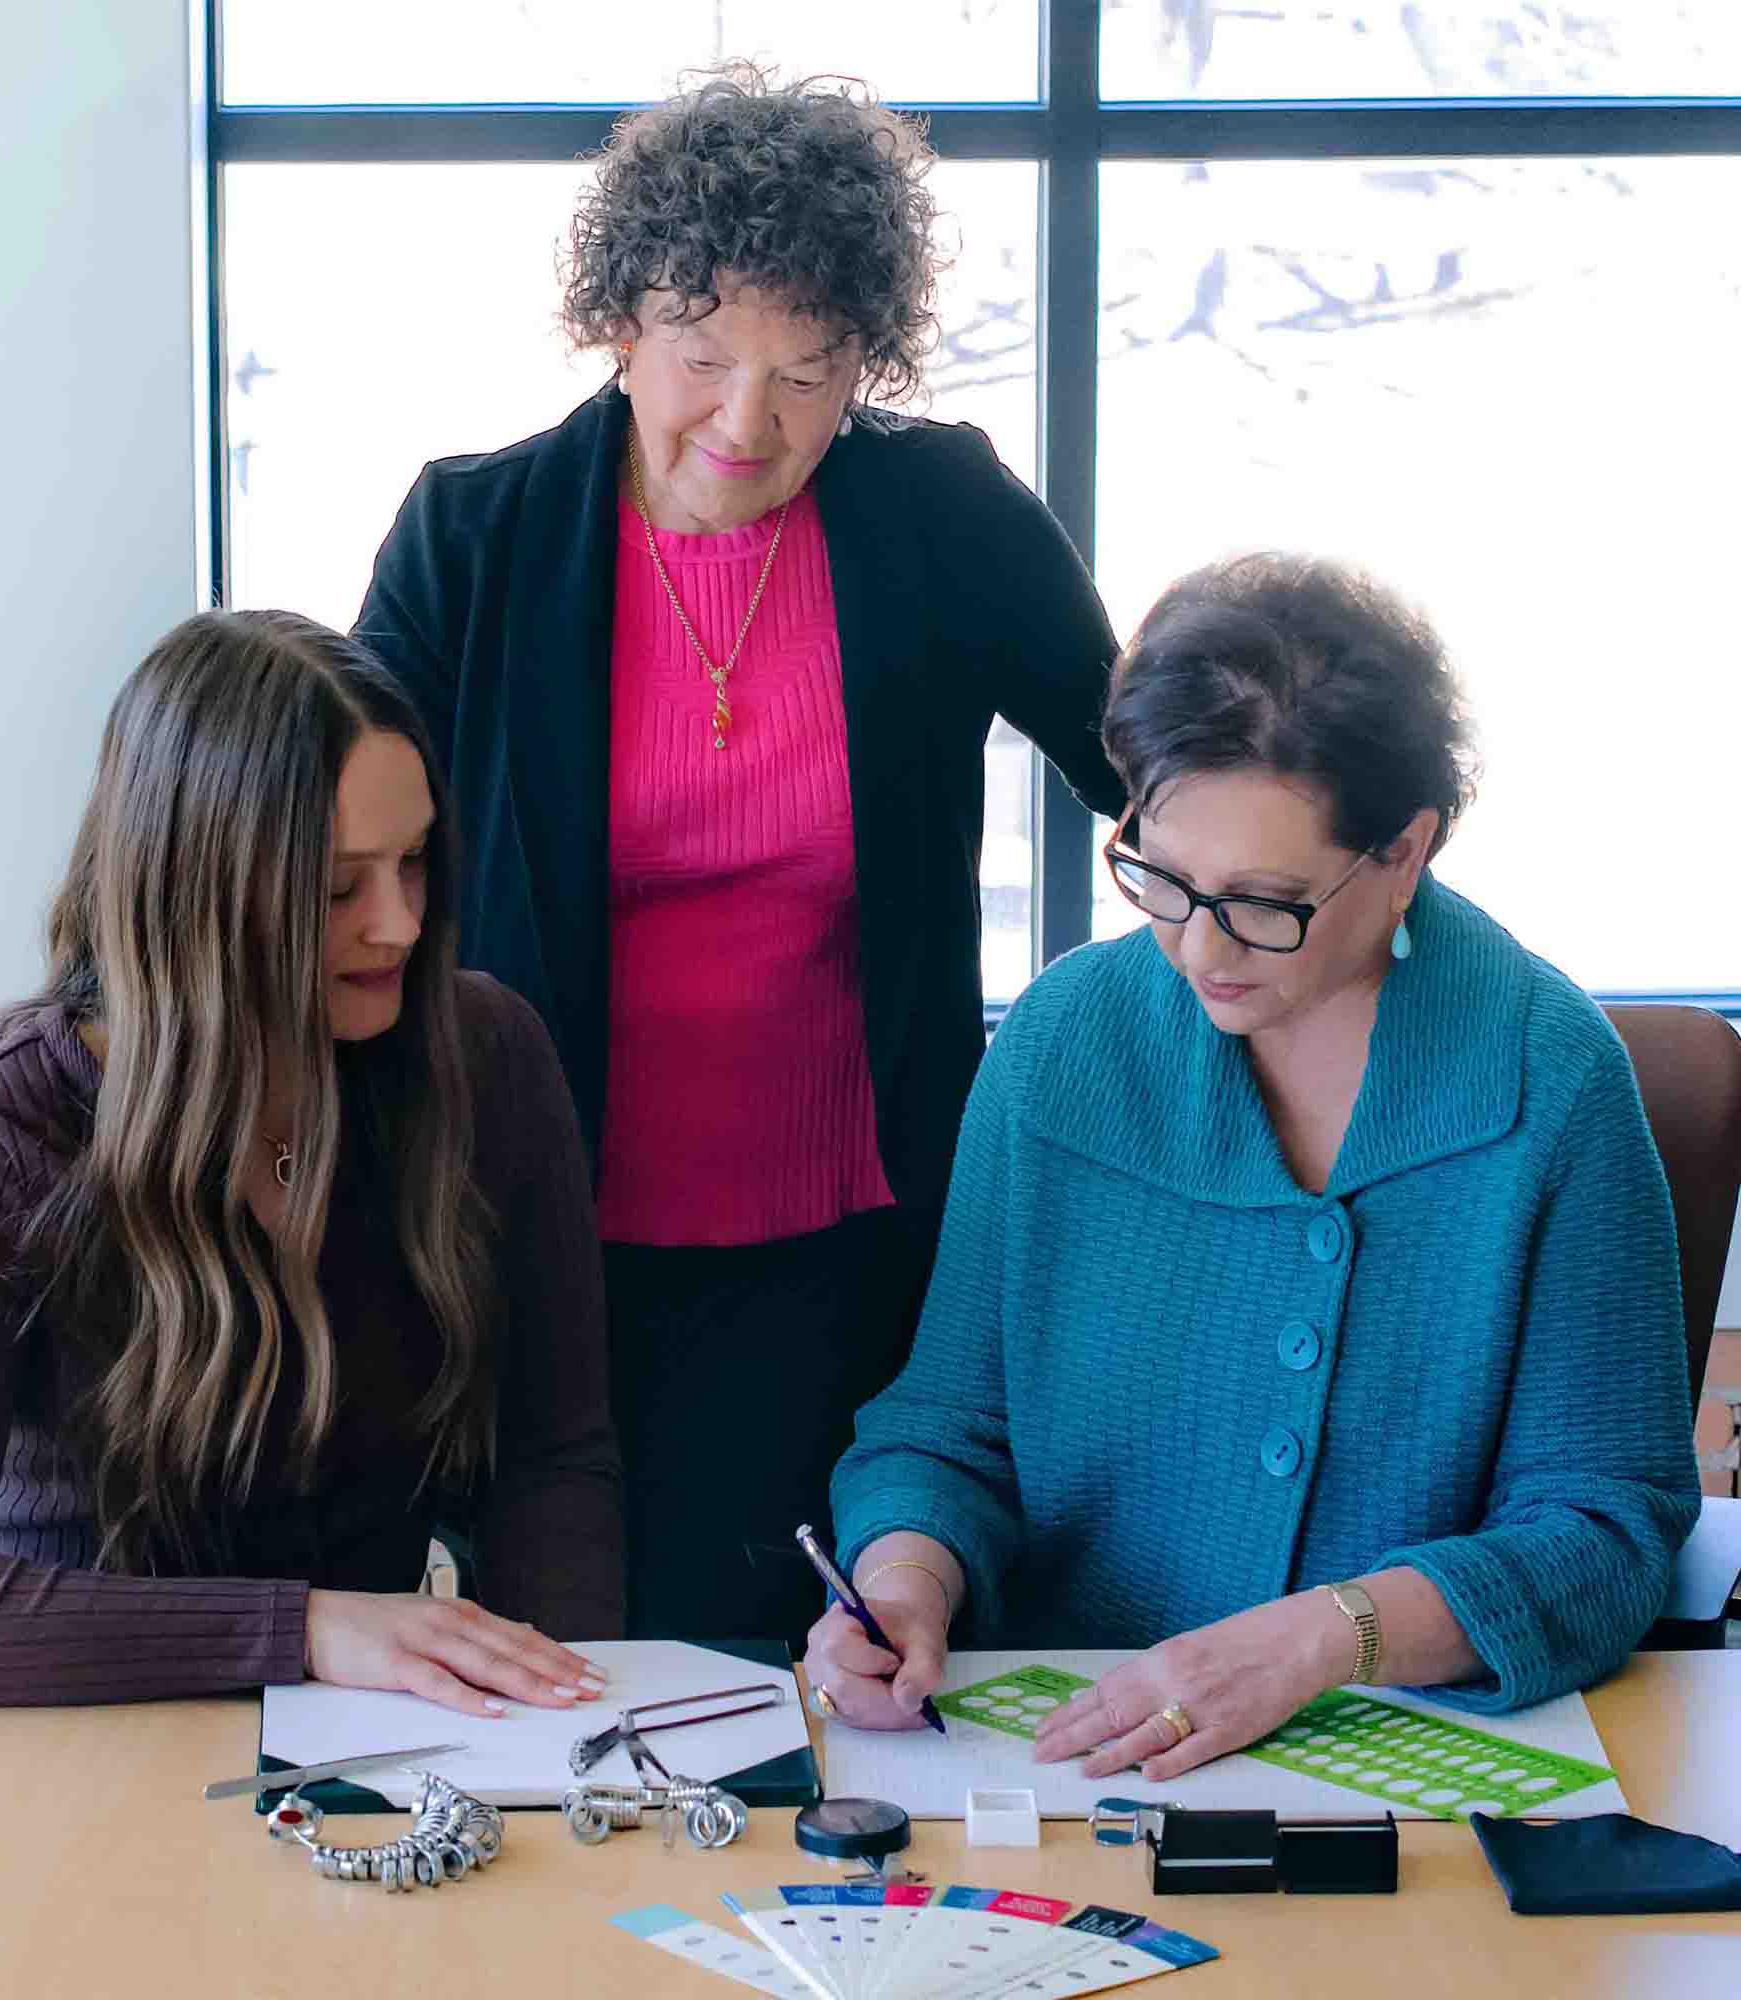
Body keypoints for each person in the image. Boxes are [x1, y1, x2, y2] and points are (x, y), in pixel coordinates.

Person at [353, 65, 1126, 1642]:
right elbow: (327, 828)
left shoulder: (939, 515)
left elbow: (1150, 761)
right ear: (620, 328)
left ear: (868, 362)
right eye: (703, 358)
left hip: (851, 1234)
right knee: (589, 1661)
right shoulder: (477, 535)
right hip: (541, 1220)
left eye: (811, 371)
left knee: (839, 1654)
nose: (750, 422)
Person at [808, 553, 1700, 1771]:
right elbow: (948, 1427)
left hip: (1406, 1752)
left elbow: (1603, 1530)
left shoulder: (1548, 1078)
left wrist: (1322, 1638)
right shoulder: (1063, 1041)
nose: (1197, 945)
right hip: (1070, 1747)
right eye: (1162, 879)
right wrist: (904, 1580)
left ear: (1402, 854)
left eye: (1263, 901)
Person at [0, 610, 623, 1708]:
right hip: (63, 1747)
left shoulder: (487, 1060)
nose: (400, 925)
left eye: (415, 861)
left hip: (371, 1760)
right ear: (193, 892)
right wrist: (305, 1628)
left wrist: (550, 1720)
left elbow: (554, 1458)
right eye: (337, 888)